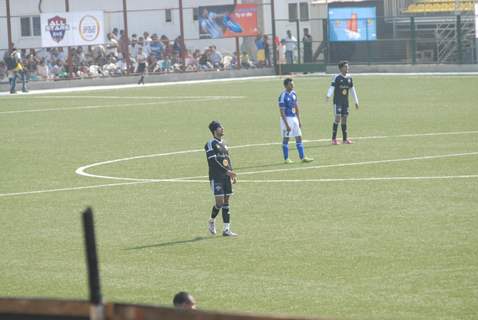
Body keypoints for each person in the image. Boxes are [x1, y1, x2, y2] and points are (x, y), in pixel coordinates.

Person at [205, 121, 238, 237]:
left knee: (227, 202)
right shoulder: (210, 144)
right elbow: (213, 162)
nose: (222, 129)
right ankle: (211, 220)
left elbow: (227, 160)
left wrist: (231, 173)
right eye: (220, 127)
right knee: (220, 202)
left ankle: (226, 229)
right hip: (216, 177)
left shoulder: (224, 144)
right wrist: (226, 171)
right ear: (215, 130)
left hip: (226, 177)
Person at [278, 78, 313, 164]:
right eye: (290, 84)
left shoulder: (294, 93)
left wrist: (299, 120)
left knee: (299, 137)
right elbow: (282, 112)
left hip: (294, 119)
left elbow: (296, 107)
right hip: (287, 118)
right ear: (286, 86)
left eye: (293, 84)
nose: (293, 85)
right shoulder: (283, 96)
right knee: (286, 139)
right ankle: (286, 158)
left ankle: (303, 157)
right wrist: (286, 125)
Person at [326, 61, 359, 145]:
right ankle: (333, 139)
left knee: (344, 119)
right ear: (341, 68)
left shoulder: (349, 78)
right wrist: (328, 95)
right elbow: (332, 87)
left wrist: (356, 101)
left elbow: (352, 90)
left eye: (348, 67)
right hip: (337, 102)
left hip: (345, 102)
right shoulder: (336, 77)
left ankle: (345, 139)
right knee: (337, 119)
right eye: (346, 67)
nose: (348, 68)